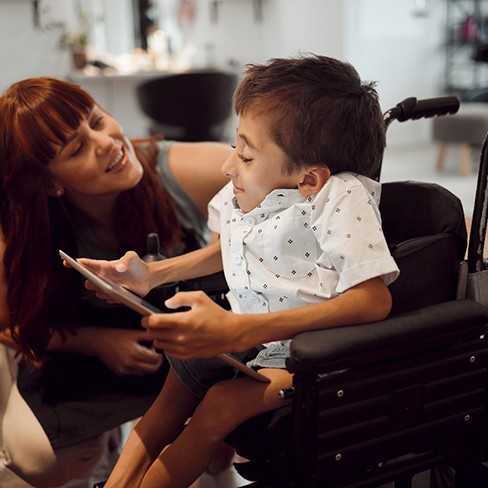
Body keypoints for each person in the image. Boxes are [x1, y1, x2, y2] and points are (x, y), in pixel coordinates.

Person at [81, 53, 400, 488]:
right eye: (236, 145)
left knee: (218, 405)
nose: (229, 165)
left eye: (246, 156)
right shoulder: (244, 191)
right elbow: (225, 247)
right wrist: (152, 274)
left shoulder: (340, 198)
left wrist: (242, 330)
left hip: (308, 350)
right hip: (248, 336)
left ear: (309, 179)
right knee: (171, 394)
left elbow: (373, 299)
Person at [0, 76, 231, 487]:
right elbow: (9, 323)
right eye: (78, 148)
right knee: (37, 461)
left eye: (97, 121)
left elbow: (280, 174)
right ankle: (100, 448)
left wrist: (229, 233)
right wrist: (96, 342)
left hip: (185, 352)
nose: (106, 142)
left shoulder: (177, 169)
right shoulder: (25, 231)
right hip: (86, 358)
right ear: (51, 183)